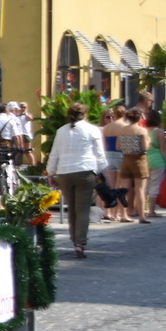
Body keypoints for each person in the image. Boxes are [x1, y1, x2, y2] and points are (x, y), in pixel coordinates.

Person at [46, 103, 107, 257]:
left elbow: (54, 153)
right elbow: (99, 154)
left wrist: (50, 173)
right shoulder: (92, 129)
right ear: (85, 114)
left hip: (64, 172)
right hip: (85, 171)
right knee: (83, 209)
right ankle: (80, 242)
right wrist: (102, 171)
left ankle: (74, 240)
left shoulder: (61, 131)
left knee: (72, 209)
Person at [116, 107, 152, 224]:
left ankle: (123, 214)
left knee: (124, 189)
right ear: (140, 117)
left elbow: (118, 146)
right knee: (140, 189)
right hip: (139, 160)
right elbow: (145, 147)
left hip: (126, 159)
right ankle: (141, 216)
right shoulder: (142, 131)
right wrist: (149, 141)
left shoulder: (122, 130)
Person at [99, 106, 127, 222]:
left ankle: (108, 211)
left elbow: (103, 145)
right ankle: (117, 213)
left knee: (110, 185)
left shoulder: (105, 128)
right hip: (119, 155)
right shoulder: (123, 127)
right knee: (119, 186)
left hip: (108, 155)